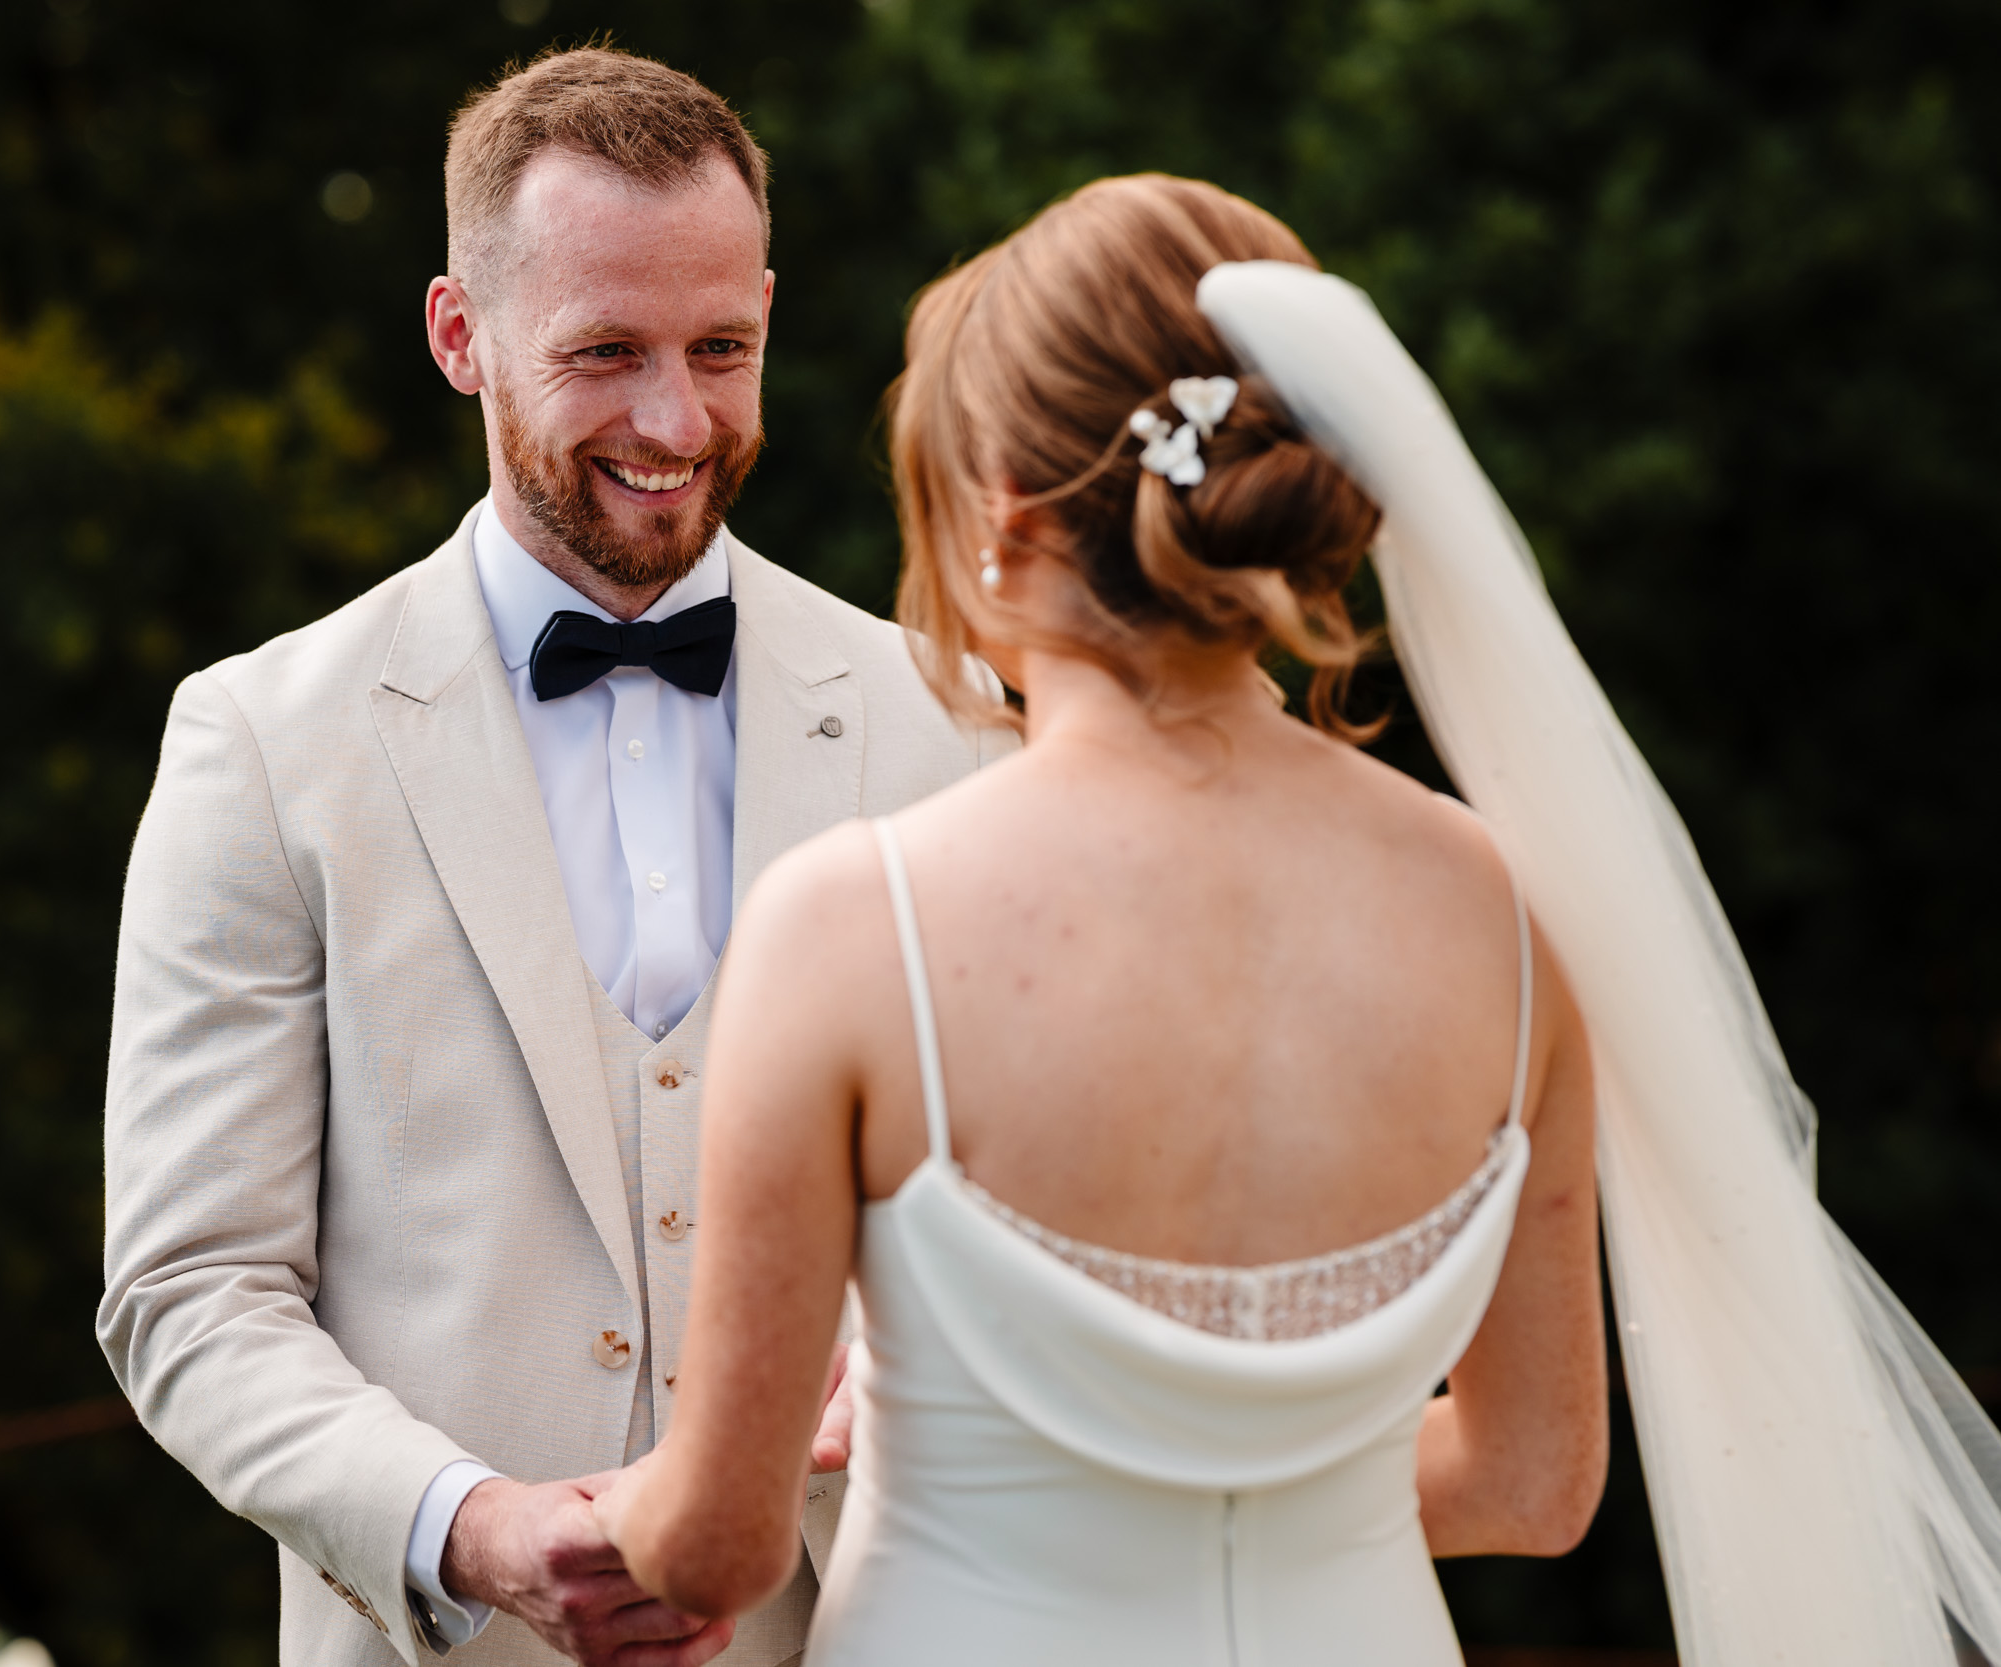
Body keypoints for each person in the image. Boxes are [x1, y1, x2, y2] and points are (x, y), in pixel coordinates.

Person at [602, 169, 2001, 1666]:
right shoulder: (1510, 922)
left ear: (1000, 518)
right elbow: (1536, 1486)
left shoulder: (850, 923)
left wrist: (562, 1518)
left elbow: (723, 1545)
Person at [96, 46, 1009, 1667]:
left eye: (721, 348)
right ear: (463, 336)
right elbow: (190, 1293)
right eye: (604, 353)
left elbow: (1027, 1198)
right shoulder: (259, 744)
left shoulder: (943, 717)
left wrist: (934, 1345)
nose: (674, 422)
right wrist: (474, 1529)